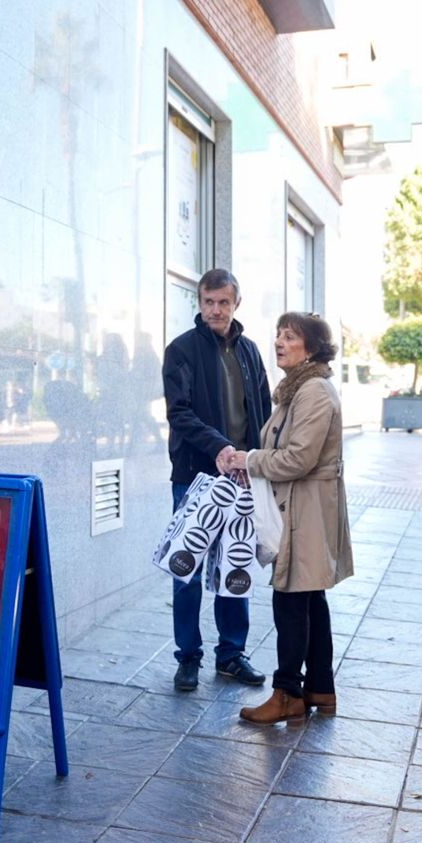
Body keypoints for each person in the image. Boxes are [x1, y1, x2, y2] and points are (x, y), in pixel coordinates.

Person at [226, 313, 352, 723]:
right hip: (301, 507)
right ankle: (319, 688)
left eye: (290, 336)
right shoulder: (297, 390)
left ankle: (287, 694)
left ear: (311, 348)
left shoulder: (313, 392)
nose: (279, 341)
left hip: (308, 510)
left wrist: (250, 459)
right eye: (278, 334)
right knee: (310, 598)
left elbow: (298, 458)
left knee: (292, 600)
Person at [162, 269, 272, 691]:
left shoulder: (249, 352)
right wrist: (220, 448)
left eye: (223, 302)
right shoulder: (181, 351)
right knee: (185, 569)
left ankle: (231, 654)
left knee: (236, 565)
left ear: (236, 304)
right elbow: (180, 412)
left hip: (242, 478)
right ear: (199, 302)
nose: (215, 309)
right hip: (196, 476)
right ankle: (188, 656)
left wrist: (257, 461)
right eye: (208, 301)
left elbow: (261, 409)